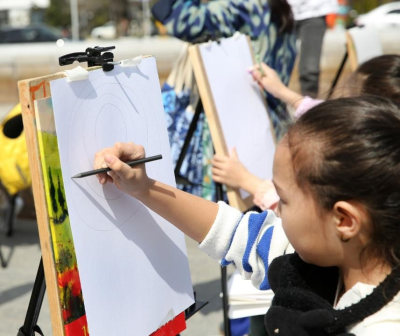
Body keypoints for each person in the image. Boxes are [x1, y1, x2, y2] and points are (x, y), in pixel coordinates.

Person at [94, 96, 400, 335]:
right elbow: (236, 233)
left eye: (285, 199)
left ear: (344, 221)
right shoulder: (322, 257)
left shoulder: (381, 327)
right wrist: (144, 187)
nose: (275, 207)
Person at [152, 0, 297, 206]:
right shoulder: (280, 8)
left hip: (235, 133)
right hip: (269, 131)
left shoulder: (242, 5)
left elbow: (176, 18)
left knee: (235, 219)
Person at [212, 54, 400, 210]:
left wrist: (247, 181)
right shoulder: (384, 138)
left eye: (348, 95)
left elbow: (303, 211)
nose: (338, 103)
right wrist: (283, 92)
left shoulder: (356, 161)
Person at [288, 0, 338, 97]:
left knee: (310, 69)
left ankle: (309, 106)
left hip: (315, 12)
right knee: (274, 66)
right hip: (280, 10)